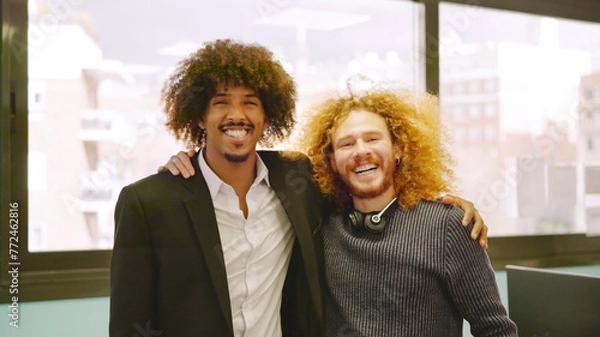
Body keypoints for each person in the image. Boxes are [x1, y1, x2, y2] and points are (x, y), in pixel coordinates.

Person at [113, 39, 487, 337]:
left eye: (250, 103)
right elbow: (130, 325)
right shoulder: (149, 202)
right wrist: (179, 161)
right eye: (220, 103)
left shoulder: (297, 182)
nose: (236, 115)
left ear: (266, 117)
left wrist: (444, 203)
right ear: (198, 115)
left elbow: (372, 188)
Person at [298, 86, 518, 336]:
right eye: (346, 144)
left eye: (372, 139)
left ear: (398, 149)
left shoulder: (447, 225)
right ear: (332, 162)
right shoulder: (320, 228)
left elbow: (495, 330)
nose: (361, 151)